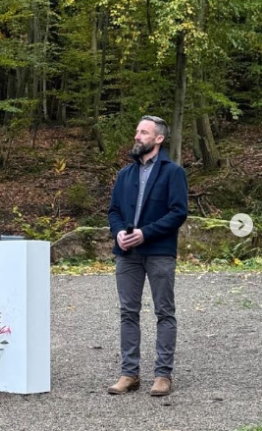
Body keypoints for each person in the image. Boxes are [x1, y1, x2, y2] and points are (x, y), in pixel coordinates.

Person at [107, 115, 188, 397]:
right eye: (137, 131)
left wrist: (145, 233)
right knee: (128, 312)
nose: (137, 136)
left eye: (143, 132)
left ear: (158, 138)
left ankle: (163, 375)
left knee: (164, 312)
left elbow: (178, 213)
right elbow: (114, 211)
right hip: (127, 253)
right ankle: (129, 374)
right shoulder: (124, 175)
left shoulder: (173, 172)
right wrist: (119, 232)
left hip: (160, 252)